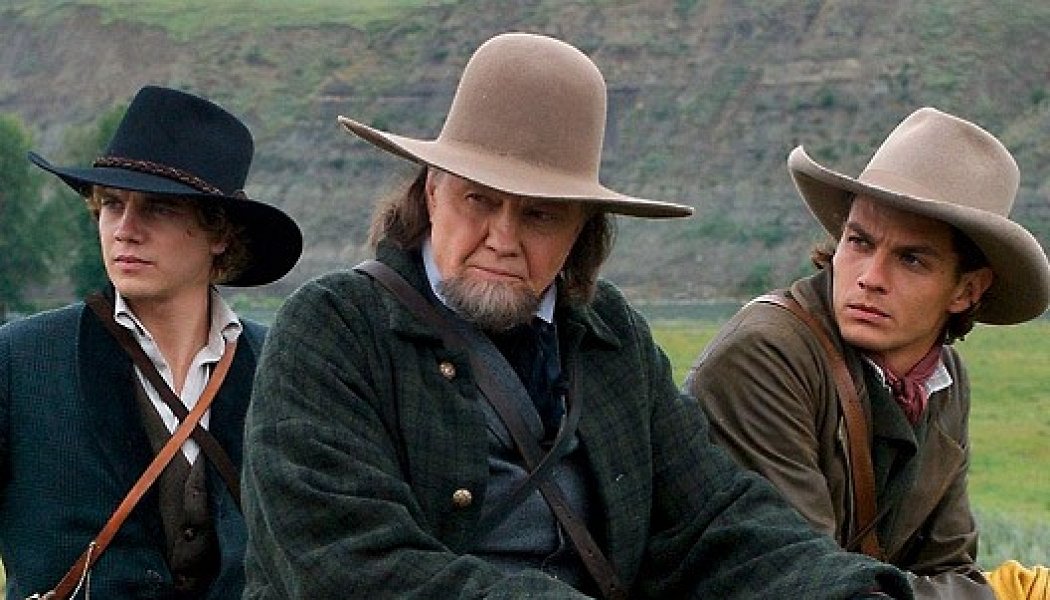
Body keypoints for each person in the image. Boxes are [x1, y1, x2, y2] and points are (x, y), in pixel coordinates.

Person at [241, 32, 912, 599]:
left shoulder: (608, 335)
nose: (503, 237)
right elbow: (343, 564)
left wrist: (851, 592)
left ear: (581, 231)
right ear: (432, 191)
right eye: (480, 200)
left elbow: (716, 519)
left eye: (540, 214)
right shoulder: (332, 329)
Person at [684, 107, 1050, 600]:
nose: (870, 277)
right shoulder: (765, 356)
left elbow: (947, 564)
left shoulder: (942, 378)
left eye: (911, 259)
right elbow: (802, 580)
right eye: (859, 242)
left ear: (967, 290)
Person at [0, 85, 302, 598]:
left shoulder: (281, 370)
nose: (125, 229)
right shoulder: (21, 359)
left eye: (158, 209)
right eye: (112, 204)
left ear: (220, 234)